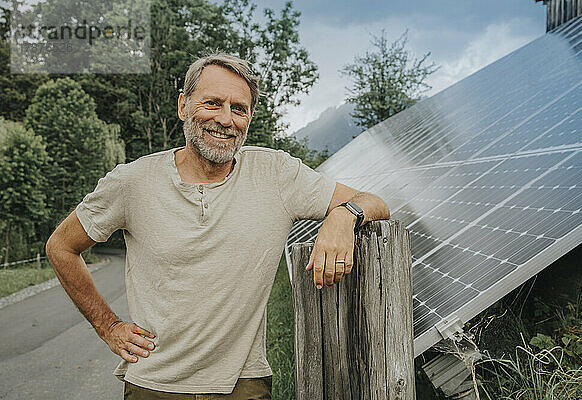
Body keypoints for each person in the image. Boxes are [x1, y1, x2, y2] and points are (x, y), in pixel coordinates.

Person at [45, 52, 390, 399]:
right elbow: (61, 246)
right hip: (153, 385)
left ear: (249, 117)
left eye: (238, 109)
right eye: (212, 103)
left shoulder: (277, 175)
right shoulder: (132, 182)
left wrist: (344, 216)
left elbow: (375, 202)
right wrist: (109, 327)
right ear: (184, 106)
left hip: (243, 386)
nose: (225, 119)